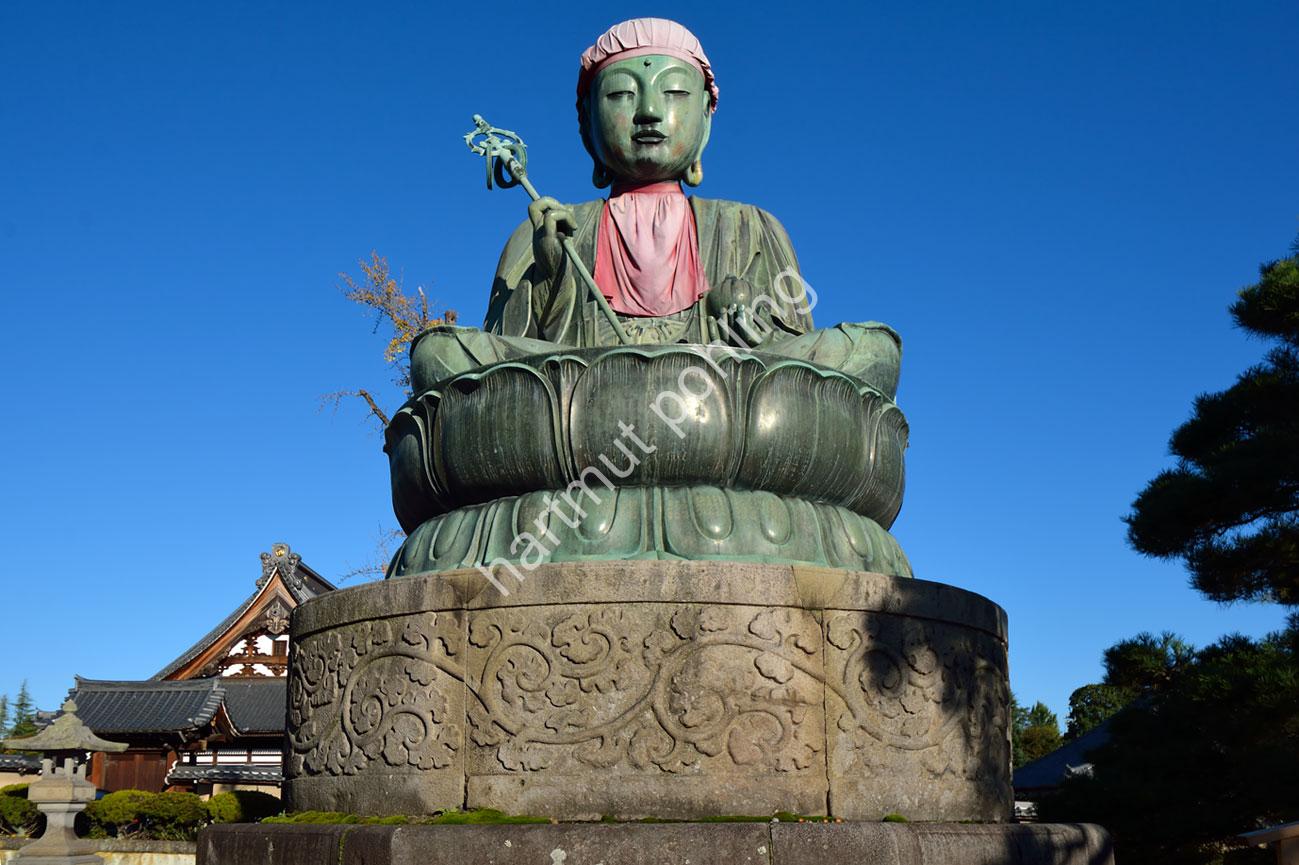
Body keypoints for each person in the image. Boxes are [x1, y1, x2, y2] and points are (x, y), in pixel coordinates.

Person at [412, 18, 902, 400]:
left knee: (869, 351)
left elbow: (788, 352)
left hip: (709, 394)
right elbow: (508, 360)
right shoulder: (549, 227)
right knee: (442, 354)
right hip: (581, 397)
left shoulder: (750, 226)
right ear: (587, 124)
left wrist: (747, 314)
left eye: (673, 93)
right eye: (623, 93)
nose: (648, 112)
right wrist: (553, 272)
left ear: (706, 120)